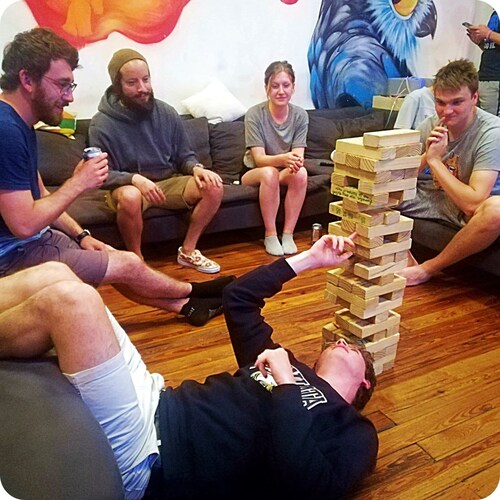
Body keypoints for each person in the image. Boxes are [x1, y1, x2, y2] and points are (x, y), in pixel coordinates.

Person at [0, 234, 378, 499]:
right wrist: (312, 258)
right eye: (339, 340)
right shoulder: (282, 363)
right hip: (155, 399)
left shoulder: (353, 430)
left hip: (154, 459)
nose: (342, 342)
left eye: (354, 349)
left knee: (72, 303)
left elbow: (309, 485)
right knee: (56, 274)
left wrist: (286, 386)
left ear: (364, 384)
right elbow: (239, 297)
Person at [0, 28, 233, 326]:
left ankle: (187, 307)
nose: (70, 96)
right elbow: (23, 225)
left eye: (71, 85)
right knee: (127, 264)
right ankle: (197, 291)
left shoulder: (19, 125)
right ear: (27, 79)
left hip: (35, 240)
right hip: (14, 255)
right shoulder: (6, 131)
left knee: (115, 260)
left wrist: (82, 236)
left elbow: (42, 195)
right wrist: (78, 183)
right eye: (62, 85)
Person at [88, 49, 223, 272]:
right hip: (130, 188)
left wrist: (196, 168)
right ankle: (137, 261)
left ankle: (188, 251)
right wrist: (135, 179)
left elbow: (184, 155)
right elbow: (102, 175)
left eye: (146, 79)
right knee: (130, 196)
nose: (142, 88)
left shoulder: (166, 113)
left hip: (167, 183)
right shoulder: (101, 124)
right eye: (132, 82)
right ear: (117, 85)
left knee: (213, 185)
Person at [398, 59, 500, 286]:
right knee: (374, 191)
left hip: (471, 209)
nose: (447, 111)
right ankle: (403, 258)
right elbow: (401, 178)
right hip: (438, 197)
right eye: (441, 103)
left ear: (474, 98)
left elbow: (473, 203)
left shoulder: (492, 133)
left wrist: (435, 161)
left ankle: (427, 269)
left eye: (457, 102)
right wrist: (427, 155)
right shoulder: (431, 124)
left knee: (496, 210)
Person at [242, 60, 309, 256]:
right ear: (267, 89)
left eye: (286, 85)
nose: (281, 91)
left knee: (301, 173)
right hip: (254, 172)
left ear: (293, 87)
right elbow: (259, 159)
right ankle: (270, 235)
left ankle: (288, 234)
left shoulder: (300, 115)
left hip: (284, 171)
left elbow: (298, 157)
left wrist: (292, 161)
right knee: (270, 173)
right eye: (275, 86)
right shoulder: (254, 114)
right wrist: (283, 159)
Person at [466, 11, 500, 116]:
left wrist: (488, 34)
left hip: (496, 78)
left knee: (492, 120)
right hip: (485, 76)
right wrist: (480, 43)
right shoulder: (494, 13)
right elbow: (492, 48)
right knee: (482, 119)